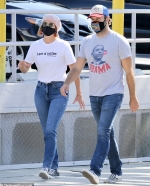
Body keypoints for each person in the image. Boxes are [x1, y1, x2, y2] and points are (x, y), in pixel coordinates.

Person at [60, 4, 139, 184]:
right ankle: (117, 171)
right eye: (92, 19)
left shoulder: (119, 41)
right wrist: (66, 83)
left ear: (107, 19)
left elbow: (129, 72)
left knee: (102, 131)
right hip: (94, 96)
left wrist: (133, 97)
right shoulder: (87, 41)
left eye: (98, 19)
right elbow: (77, 68)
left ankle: (95, 170)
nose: (94, 22)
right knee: (107, 133)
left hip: (113, 94)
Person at [18, 14, 85, 180]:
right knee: (47, 132)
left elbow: (74, 70)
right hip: (40, 91)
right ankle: (54, 168)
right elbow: (26, 69)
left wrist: (79, 92)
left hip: (59, 90)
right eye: (44, 23)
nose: (46, 26)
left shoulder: (63, 46)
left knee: (50, 130)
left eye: (50, 24)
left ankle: (46, 167)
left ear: (56, 28)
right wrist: (22, 66)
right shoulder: (35, 46)